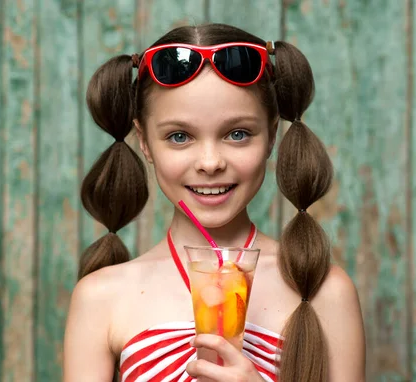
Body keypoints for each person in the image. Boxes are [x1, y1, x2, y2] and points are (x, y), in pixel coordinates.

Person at [63, 23, 366, 381]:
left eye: (238, 134)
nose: (210, 162)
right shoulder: (100, 297)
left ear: (271, 135)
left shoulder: (325, 290)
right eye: (179, 136)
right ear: (144, 141)